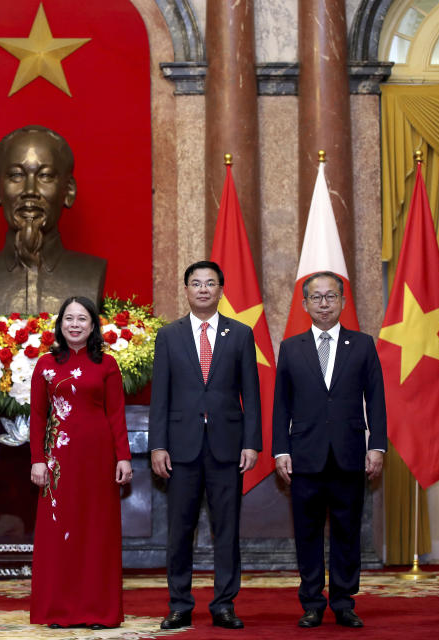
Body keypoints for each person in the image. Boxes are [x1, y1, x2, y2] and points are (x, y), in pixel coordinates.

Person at [149, 260, 261, 630]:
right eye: (195, 283)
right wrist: (158, 446)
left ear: (220, 290)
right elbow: (160, 397)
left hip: (228, 448)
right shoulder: (169, 335)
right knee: (179, 530)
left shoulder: (241, 334)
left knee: (226, 529)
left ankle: (224, 604)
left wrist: (252, 443)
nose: (202, 289)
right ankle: (180, 604)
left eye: (210, 283)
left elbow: (252, 395)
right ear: (186, 290)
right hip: (181, 449)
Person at [272, 271, 386, 629]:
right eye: (316, 297)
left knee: (347, 530)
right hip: (304, 455)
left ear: (342, 301)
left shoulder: (364, 344)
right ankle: (311, 602)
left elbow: (377, 401)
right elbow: (281, 406)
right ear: (305, 304)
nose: (324, 303)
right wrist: (280, 450)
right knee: (306, 533)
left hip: (349, 453)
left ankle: (343, 601)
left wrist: (377, 446)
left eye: (330, 296)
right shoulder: (291, 348)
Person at [28, 296, 132, 628]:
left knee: (96, 532)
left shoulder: (108, 364)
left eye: (82, 318)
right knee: (58, 531)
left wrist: (124, 457)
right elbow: (38, 416)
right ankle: (57, 611)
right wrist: (37, 461)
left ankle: (97, 611)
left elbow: (117, 415)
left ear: (93, 325)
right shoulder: (45, 364)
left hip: (99, 459)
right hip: (58, 460)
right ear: (60, 324)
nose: (75, 324)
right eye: (69, 318)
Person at [0, 125, 106, 315]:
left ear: (69, 190)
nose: (30, 191)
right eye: (16, 175)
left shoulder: (91, 273)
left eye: (45, 176)